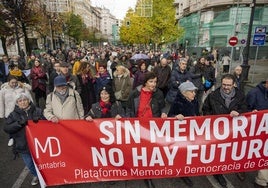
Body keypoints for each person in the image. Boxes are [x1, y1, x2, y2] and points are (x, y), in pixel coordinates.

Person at [202, 74, 248, 187]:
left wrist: (239, 112)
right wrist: (213, 121)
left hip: (235, 130)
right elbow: (205, 109)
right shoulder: (213, 95)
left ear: (234, 85)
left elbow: (246, 108)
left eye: (229, 85)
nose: (226, 87)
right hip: (218, 131)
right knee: (218, 152)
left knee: (236, 150)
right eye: (224, 84)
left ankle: (238, 168)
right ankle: (218, 173)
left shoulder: (240, 95)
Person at [126, 72, 168, 188]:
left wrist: (164, 112)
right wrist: (130, 121)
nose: (153, 84)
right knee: (141, 150)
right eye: (151, 81)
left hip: (153, 127)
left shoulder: (158, 93)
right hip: (139, 127)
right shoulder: (135, 93)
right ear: (145, 82)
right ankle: (142, 172)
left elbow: (163, 106)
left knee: (149, 150)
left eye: (155, 82)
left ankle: (148, 173)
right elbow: (129, 108)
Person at [3, 92, 45, 186]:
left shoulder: (37, 110)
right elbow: (6, 128)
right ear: (17, 103)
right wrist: (18, 123)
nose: (23, 102)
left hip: (38, 144)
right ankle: (37, 176)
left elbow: (47, 124)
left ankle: (43, 176)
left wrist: (40, 119)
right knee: (29, 164)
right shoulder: (13, 115)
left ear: (29, 100)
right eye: (20, 101)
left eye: (25, 100)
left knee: (41, 163)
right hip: (23, 145)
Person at [168, 81, 198, 187]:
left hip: (192, 132)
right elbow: (169, 116)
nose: (194, 93)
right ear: (184, 93)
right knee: (182, 153)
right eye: (191, 91)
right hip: (180, 134)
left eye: (194, 91)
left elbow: (198, 114)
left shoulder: (195, 101)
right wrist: (175, 116)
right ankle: (182, 173)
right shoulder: (177, 103)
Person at [246, 78, 268, 188]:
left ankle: (262, 180)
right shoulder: (254, 93)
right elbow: (245, 110)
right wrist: (251, 113)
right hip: (256, 130)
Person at [0, 75, 32, 146]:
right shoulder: (3, 90)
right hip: (9, 111)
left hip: (20, 111)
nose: (14, 84)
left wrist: (23, 84)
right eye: (12, 83)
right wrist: (1, 114)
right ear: (8, 82)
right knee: (11, 126)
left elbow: (30, 89)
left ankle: (23, 138)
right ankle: (11, 138)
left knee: (19, 125)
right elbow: (1, 102)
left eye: (15, 82)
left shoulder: (21, 87)